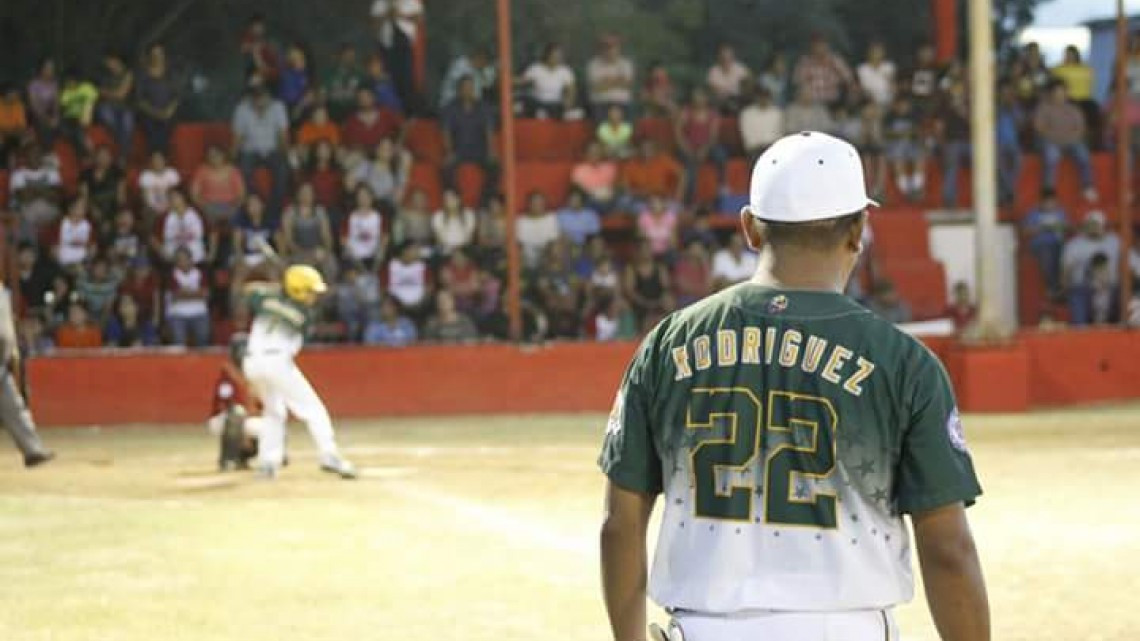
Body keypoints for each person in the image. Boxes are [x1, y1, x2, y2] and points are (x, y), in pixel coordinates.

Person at [599, 131, 987, 641]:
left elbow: (620, 523)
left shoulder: (668, 343)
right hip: (849, 629)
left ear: (749, 228)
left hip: (704, 628)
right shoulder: (905, 362)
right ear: (858, 231)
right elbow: (948, 549)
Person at [242, 265, 357, 478]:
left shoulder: (265, 298)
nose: (314, 296)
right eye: (310, 291)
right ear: (297, 291)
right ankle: (329, 455)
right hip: (276, 361)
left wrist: (276, 290)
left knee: (274, 411)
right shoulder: (304, 314)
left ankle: (268, 463)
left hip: (252, 362)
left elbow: (249, 289)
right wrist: (281, 291)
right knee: (313, 409)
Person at [0, 282, 54, 467]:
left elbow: (6, 328)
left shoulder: (2, 291)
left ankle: (32, 450)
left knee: (14, 407)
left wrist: (12, 349)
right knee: (13, 406)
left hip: (1, 359)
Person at [232, 81, 291, 212]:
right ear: (252, 98)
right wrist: (232, 157)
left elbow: (283, 134)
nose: (260, 102)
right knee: (243, 171)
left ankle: (274, 208)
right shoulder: (242, 109)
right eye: (257, 98)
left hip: (272, 150)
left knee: (283, 170)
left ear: (269, 97)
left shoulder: (278, 107)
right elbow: (238, 138)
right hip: (250, 151)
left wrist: (286, 155)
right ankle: (255, 203)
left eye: (263, 97)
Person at [207, 334, 264, 470]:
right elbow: (226, 405)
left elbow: (261, 405)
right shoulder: (228, 373)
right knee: (237, 412)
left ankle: (246, 458)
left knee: (271, 420)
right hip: (223, 419)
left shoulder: (255, 373)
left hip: (248, 418)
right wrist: (244, 434)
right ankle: (228, 459)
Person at [441, 75, 498, 205]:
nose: (468, 91)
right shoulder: (450, 108)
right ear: (459, 90)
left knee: (495, 167)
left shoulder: (483, 108)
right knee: (445, 168)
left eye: (470, 88)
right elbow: (446, 132)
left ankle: (484, 202)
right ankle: (457, 200)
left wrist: (491, 151)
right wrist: (449, 152)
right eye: (465, 88)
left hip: (479, 150)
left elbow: (489, 131)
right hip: (458, 151)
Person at [1035, 82, 1097, 202]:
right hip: (1051, 142)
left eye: (1062, 92)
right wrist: (1054, 137)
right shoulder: (1043, 108)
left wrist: (1071, 137)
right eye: (1057, 92)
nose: (1060, 95)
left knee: (1083, 154)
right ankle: (1048, 191)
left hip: (1071, 142)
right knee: (1051, 156)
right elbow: (1039, 128)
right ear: (1051, 94)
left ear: (1066, 93)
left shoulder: (1073, 109)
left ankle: (1088, 186)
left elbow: (1080, 128)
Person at [1062, 211, 1120, 326]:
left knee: (1123, 294)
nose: (1093, 228)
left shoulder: (1115, 242)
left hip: (1111, 288)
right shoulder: (1074, 244)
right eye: (1090, 224)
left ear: (1103, 225)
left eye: (1096, 224)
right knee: (1077, 295)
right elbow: (1066, 269)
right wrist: (1065, 289)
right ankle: (1080, 330)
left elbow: (1132, 263)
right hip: (1082, 288)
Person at [674, 87, 726, 205]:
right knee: (690, 168)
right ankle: (689, 201)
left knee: (720, 155)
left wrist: (705, 149)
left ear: (706, 98)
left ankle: (722, 185)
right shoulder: (686, 112)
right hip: (689, 147)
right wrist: (686, 148)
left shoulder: (712, 114)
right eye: (696, 96)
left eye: (701, 96)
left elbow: (713, 136)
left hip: (707, 146)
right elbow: (678, 133)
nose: (699, 99)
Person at [10, 144, 64, 241]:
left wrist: (33, 190)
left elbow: (56, 197)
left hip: (49, 212)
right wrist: (45, 190)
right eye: (32, 154)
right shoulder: (18, 174)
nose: (35, 156)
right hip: (27, 213)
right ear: (25, 157)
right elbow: (25, 198)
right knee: (28, 215)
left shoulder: (51, 172)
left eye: (38, 153)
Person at [1022, 189, 1069, 300]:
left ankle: (1063, 288)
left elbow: (1068, 228)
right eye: (1047, 202)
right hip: (1040, 245)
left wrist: (1060, 226)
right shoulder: (1033, 213)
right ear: (1041, 202)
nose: (1050, 205)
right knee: (1047, 254)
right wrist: (1041, 228)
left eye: (1052, 202)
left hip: (1058, 244)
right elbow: (1025, 232)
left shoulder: (1060, 212)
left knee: (1068, 254)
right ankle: (1053, 288)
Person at [135, 43, 181, 154]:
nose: (157, 57)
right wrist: (156, 113)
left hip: (168, 113)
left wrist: (169, 111)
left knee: (166, 127)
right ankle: (155, 157)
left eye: (160, 54)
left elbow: (176, 96)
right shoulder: (143, 74)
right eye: (154, 54)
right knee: (152, 130)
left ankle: (163, 158)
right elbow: (139, 99)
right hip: (148, 113)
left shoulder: (171, 73)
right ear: (149, 56)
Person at [1052, 45, 1099, 148]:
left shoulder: (1086, 69)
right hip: (1067, 99)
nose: (1070, 57)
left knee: (1094, 109)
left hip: (1084, 99)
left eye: (1072, 55)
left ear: (1076, 55)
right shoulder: (1058, 69)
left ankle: (1093, 140)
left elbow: (1091, 85)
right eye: (1068, 55)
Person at [883, 93, 925, 202]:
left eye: (905, 105)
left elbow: (919, 132)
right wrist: (900, 134)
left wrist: (911, 134)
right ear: (896, 105)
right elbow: (886, 133)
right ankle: (906, 191)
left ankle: (916, 188)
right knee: (898, 159)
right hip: (895, 145)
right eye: (901, 105)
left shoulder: (914, 116)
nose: (903, 107)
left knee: (919, 157)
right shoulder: (890, 117)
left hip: (911, 144)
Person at [165, 247, 211, 346]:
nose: (182, 262)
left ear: (190, 259)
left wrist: (185, 293)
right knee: (178, 340)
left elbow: (205, 294)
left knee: (203, 338)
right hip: (178, 314)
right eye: (179, 260)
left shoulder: (200, 273)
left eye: (185, 259)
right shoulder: (172, 274)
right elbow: (175, 295)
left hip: (199, 312)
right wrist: (195, 293)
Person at [621, 139, 684, 210]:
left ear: (655, 149)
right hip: (641, 200)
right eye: (643, 149)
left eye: (650, 149)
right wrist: (641, 194)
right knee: (624, 201)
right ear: (638, 150)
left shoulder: (664, 160)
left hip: (664, 199)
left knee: (676, 208)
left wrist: (679, 195)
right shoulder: (631, 164)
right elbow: (626, 188)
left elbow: (682, 174)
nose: (646, 152)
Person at [793, 34, 854, 107]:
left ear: (827, 46)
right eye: (817, 45)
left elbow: (849, 78)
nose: (820, 48)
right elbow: (798, 82)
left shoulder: (835, 60)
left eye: (822, 44)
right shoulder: (805, 62)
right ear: (812, 47)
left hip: (833, 103)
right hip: (812, 103)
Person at [191, 145, 247, 225]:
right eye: (211, 155)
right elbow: (194, 193)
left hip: (230, 205)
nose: (214, 158)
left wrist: (235, 208)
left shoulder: (233, 171)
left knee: (236, 217)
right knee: (208, 219)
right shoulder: (202, 171)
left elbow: (242, 194)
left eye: (217, 155)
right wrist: (203, 206)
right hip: (208, 205)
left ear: (223, 156)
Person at [519, 44, 575, 119]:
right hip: (537, 101)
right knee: (528, 101)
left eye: (559, 56)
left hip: (555, 103)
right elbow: (522, 81)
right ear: (547, 56)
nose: (556, 58)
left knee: (559, 108)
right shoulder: (536, 68)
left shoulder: (565, 71)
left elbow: (571, 90)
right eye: (554, 56)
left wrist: (568, 102)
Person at [587, 35, 635, 118]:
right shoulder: (593, 65)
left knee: (631, 115)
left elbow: (628, 84)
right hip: (601, 103)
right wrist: (618, 80)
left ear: (618, 49)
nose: (610, 51)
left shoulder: (626, 64)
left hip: (622, 102)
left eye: (613, 47)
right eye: (607, 47)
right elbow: (596, 88)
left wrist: (606, 81)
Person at [516, 192, 561, 269]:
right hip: (526, 257)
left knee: (558, 246)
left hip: (547, 256)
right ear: (528, 204)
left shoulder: (551, 218)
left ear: (544, 204)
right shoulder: (520, 221)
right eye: (534, 203)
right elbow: (519, 243)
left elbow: (554, 240)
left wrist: (547, 253)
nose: (537, 206)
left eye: (540, 203)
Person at [343, 186, 385, 270]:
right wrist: (352, 254)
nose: (363, 199)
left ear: (372, 197)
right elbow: (343, 239)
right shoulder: (350, 217)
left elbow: (384, 238)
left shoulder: (379, 217)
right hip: (354, 257)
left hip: (373, 256)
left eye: (366, 196)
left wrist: (379, 255)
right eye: (361, 196)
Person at [572, 141, 620, 214]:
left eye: (597, 151)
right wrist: (595, 194)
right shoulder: (579, 169)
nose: (595, 154)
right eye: (592, 152)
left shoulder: (609, 167)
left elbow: (616, 186)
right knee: (589, 202)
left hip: (610, 199)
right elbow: (578, 190)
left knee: (625, 199)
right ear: (586, 154)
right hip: (591, 199)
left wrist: (610, 193)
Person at [739, 87, 784, 160]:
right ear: (756, 98)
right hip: (754, 148)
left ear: (769, 98)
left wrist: (772, 146)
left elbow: (779, 133)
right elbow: (747, 135)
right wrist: (758, 146)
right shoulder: (747, 113)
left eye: (765, 97)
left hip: (772, 147)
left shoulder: (777, 113)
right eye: (761, 97)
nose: (763, 100)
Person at [706, 44, 752, 113]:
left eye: (729, 57)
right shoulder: (713, 71)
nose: (726, 59)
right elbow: (712, 89)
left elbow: (749, 82)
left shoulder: (740, 69)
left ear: (733, 57)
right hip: (720, 101)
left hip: (738, 100)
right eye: (723, 57)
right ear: (719, 57)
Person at [431, 188, 477, 255]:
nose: (450, 202)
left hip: (464, 252)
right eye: (446, 200)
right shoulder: (438, 216)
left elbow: (469, 239)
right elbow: (438, 240)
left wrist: (460, 251)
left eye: (452, 198)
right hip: (445, 252)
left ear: (459, 199)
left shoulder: (469, 214)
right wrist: (450, 251)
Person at [137, 149, 180, 219]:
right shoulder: (146, 176)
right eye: (155, 160)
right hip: (151, 209)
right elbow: (145, 198)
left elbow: (177, 195)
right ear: (151, 161)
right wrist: (155, 209)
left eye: (160, 159)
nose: (157, 162)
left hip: (171, 207)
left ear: (165, 160)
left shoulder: (172, 173)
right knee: (147, 212)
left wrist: (169, 208)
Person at [856, 41, 896, 106]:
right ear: (869, 53)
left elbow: (893, 86)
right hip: (867, 100)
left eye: (879, 51)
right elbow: (861, 87)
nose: (877, 54)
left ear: (883, 53)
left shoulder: (889, 66)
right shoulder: (862, 68)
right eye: (874, 51)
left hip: (888, 101)